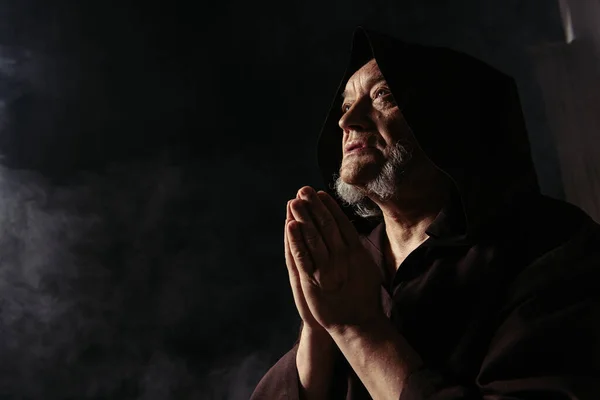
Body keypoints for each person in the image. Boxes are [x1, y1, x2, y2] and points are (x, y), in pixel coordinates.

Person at [250, 27, 600, 400]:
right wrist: (317, 330)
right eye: (346, 104)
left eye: (383, 94)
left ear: (451, 119)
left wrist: (357, 328)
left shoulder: (553, 246)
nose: (347, 119)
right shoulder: (348, 259)